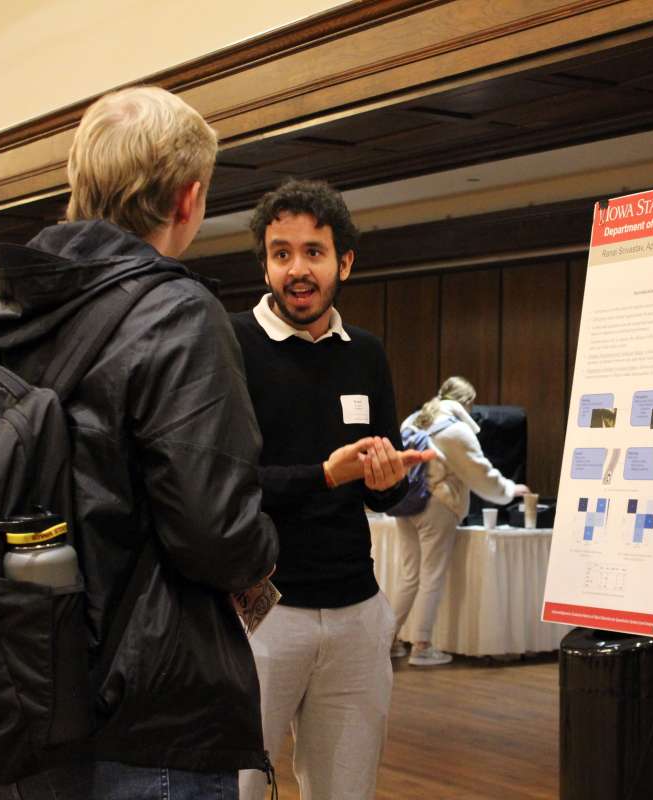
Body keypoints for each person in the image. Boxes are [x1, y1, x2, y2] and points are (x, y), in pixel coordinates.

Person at [0, 86, 285, 800]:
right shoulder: (177, 314)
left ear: (77, 184)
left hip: (5, 699)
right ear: (188, 200)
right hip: (142, 714)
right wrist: (263, 555)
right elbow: (214, 531)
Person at [231, 179, 428, 800]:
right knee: (233, 788)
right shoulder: (230, 344)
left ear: (343, 262)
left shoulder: (365, 353)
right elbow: (225, 483)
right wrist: (324, 473)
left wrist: (389, 481)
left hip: (358, 614)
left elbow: (377, 496)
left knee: (345, 791)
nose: (297, 269)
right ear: (264, 262)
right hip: (258, 613)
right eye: (281, 252)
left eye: (313, 252)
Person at [389, 376, 530, 666]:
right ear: (467, 403)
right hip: (436, 505)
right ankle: (422, 646)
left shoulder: (412, 421)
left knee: (409, 576)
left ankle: (387, 641)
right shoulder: (455, 431)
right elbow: (480, 473)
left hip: (405, 503)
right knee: (431, 576)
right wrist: (509, 490)